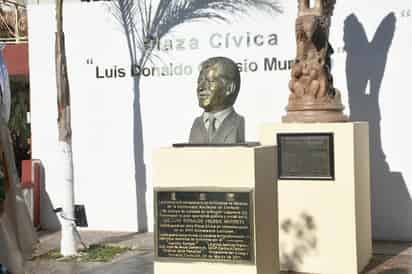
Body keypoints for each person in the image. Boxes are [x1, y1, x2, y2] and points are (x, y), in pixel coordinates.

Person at [189, 57, 245, 144]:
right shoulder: (196, 124)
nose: (200, 87)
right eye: (199, 82)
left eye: (210, 81)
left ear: (229, 88)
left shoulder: (238, 123)